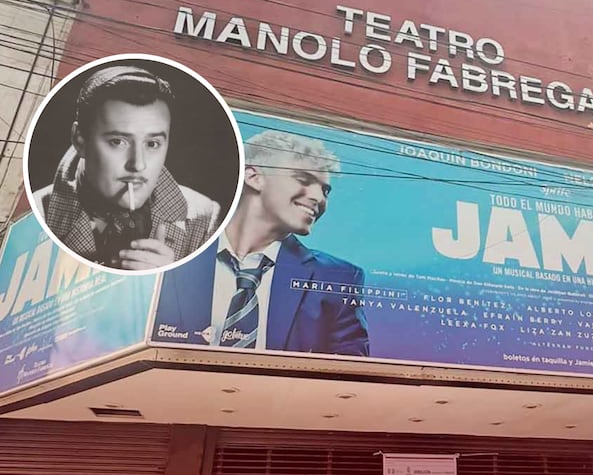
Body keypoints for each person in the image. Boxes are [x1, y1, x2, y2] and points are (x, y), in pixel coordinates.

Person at [154, 129, 369, 355]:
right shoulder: (176, 253)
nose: (319, 198)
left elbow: (349, 372)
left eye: (325, 190)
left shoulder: (338, 277)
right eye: (304, 179)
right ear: (253, 177)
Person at [32, 65, 221, 270]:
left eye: (152, 144)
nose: (138, 164)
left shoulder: (203, 216)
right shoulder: (35, 219)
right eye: (118, 142)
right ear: (80, 140)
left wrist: (171, 276)